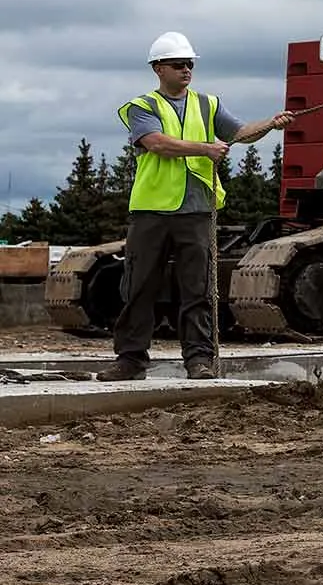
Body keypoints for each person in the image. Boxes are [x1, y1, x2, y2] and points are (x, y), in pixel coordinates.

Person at [97, 32, 293, 382]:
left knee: (198, 289)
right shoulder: (142, 107)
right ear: (158, 69)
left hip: (197, 211)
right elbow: (156, 144)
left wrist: (269, 124)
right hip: (151, 211)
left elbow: (242, 132)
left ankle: (198, 360)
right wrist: (206, 149)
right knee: (139, 286)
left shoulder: (208, 104)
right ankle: (130, 359)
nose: (187, 69)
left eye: (190, 64)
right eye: (178, 64)